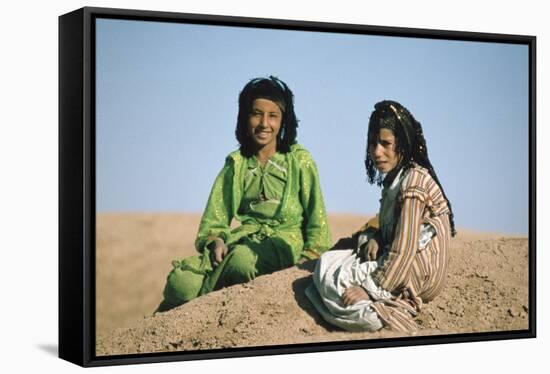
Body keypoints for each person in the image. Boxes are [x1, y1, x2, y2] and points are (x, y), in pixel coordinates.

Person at [156, 76, 332, 312]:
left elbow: (317, 221)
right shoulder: (237, 163)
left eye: (273, 116)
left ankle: (201, 304)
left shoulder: (299, 160)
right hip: (243, 239)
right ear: (245, 117)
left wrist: (308, 260)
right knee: (181, 282)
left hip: (285, 243)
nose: (264, 123)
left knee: (241, 261)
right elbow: (215, 219)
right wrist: (216, 240)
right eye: (256, 113)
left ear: (283, 121)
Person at [306, 100, 456, 332]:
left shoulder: (414, 183)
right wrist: (374, 235)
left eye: (386, 143)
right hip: (405, 268)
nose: (377, 152)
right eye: (373, 143)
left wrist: (370, 288)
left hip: (414, 274)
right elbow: (393, 227)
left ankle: (385, 309)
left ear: (403, 145)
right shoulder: (398, 179)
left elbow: (405, 248)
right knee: (330, 266)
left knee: (328, 268)